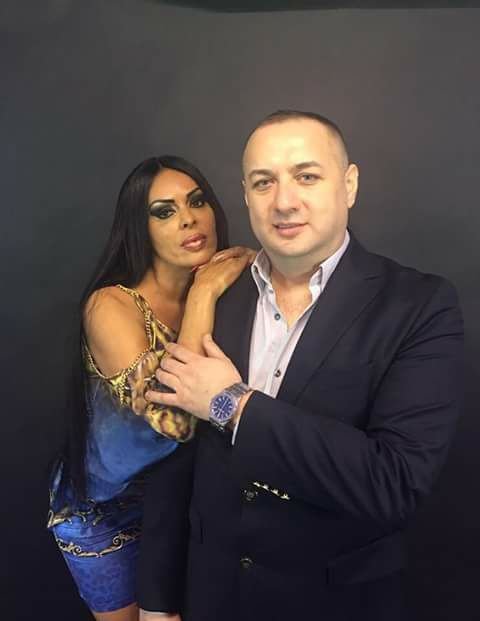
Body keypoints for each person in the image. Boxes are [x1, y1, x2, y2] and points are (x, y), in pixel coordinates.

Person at [141, 111, 464, 621]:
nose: (284, 201)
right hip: (211, 598)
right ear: (246, 195)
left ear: (349, 184)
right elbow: (174, 461)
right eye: (263, 182)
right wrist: (156, 603)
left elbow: (393, 482)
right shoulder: (213, 293)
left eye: (306, 176)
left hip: (334, 604)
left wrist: (232, 404)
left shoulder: (420, 306)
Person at [47, 155, 253, 621]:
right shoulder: (110, 306)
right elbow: (175, 421)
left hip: (182, 501)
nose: (189, 219)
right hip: (103, 512)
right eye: (164, 211)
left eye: (197, 201)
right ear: (139, 229)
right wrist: (203, 294)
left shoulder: (232, 286)